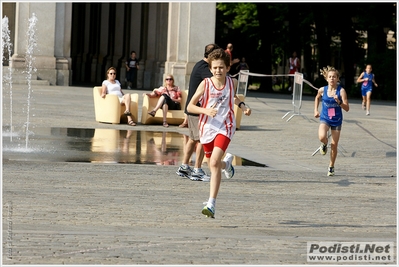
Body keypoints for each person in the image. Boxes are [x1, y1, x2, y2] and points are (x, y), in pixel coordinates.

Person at [187, 48, 251, 218]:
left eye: (221, 67)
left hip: (225, 125)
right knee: (213, 164)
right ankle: (227, 165)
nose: (218, 71)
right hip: (207, 127)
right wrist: (205, 111)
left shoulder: (232, 83)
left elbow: (234, 98)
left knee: (214, 161)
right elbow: (190, 106)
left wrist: (243, 107)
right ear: (210, 68)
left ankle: (211, 203)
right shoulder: (206, 84)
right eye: (215, 68)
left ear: (228, 68)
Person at [176, 43, 220, 181]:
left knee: (193, 139)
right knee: (202, 139)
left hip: (194, 110)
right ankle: (197, 170)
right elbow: (217, 80)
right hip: (196, 110)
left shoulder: (200, 64)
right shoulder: (203, 68)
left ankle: (184, 166)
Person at [314, 66, 349, 177]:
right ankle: (324, 144)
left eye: (334, 77)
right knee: (321, 136)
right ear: (326, 79)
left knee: (334, 145)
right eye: (330, 77)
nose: (332, 79)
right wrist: (315, 110)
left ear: (337, 78)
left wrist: (339, 102)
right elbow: (317, 97)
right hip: (325, 117)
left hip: (336, 120)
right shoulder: (322, 90)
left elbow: (347, 108)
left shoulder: (341, 91)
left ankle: (331, 166)